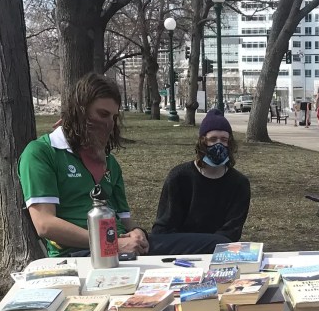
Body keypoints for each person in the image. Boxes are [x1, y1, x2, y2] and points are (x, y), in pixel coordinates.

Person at [18, 73, 149, 258]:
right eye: (102, 114)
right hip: (80, 255)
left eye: (114, 117)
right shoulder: (41, 153)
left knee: (200, 247)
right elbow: (45, 224)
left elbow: (125, 218)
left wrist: (137, 231)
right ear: (79, 111)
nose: (109, 124)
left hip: (124, 248)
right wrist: (111, 244)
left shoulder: (110, 162)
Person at [149, 109, 251, 254]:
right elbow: (164, 227)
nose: (219, 145)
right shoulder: (179, 176)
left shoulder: (239, 183)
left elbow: (231, 232)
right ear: (202, 142)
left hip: (219, 248)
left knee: (220, 242)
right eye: (213, 139)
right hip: (180, 247)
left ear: (230, 144)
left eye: (224, 140)